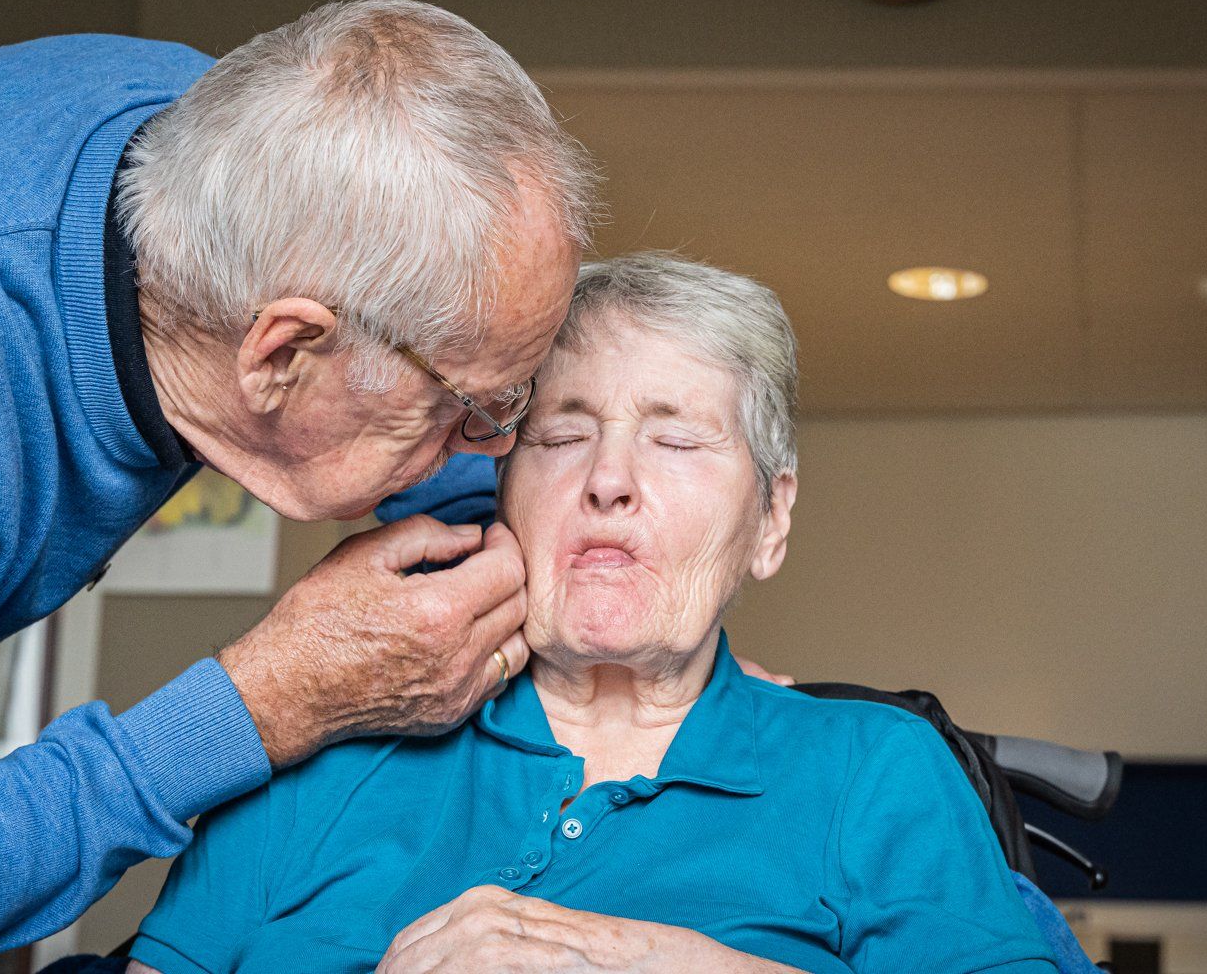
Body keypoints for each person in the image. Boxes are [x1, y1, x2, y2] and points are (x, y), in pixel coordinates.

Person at [0, 0, 601, 972]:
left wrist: (507, 558)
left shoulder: (235, 140)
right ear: (279, 355)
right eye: (463, 408)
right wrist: (267, 701)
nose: (492, 446)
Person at [125, 254, 1056, 974]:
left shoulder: (874, 767)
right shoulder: (331, 747)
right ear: (502, 493)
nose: (609, 480)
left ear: (770, 521)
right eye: (563, 435)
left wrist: (649, 961)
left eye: (675, 440)